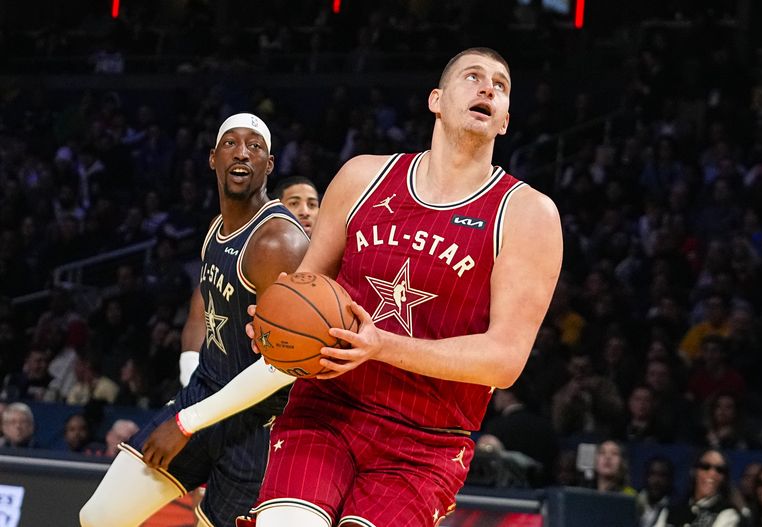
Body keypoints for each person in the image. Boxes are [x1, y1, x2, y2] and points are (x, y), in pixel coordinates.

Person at [147, 47, 563, 527]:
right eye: (472, 77)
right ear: (436, 100)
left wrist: (380, 345)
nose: (488, 87)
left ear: (505, 120)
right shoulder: (363, 176)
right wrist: (274, 317)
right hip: (325, 408)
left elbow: (504, 360)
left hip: (425, 441)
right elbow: (307, 285)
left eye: (501, 84)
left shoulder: (528, 214)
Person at [79, 113, 309, 527]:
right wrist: (191, 385)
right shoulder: (217, 228)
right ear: (212, 159)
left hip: (257, 425)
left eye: (255, 146)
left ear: (269, 165)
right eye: (231, 143)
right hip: (204, 397)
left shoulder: (279, 242)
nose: (242, 152)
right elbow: (201, 310)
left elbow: (284, 365)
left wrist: (188, 421)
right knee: (100, 517)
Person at [656, 448, 742, 527]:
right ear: (693, 471)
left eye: (720, 469)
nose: (712, 473)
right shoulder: (671, 511)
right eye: (705, 467)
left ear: (724, 478)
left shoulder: (728, 514)